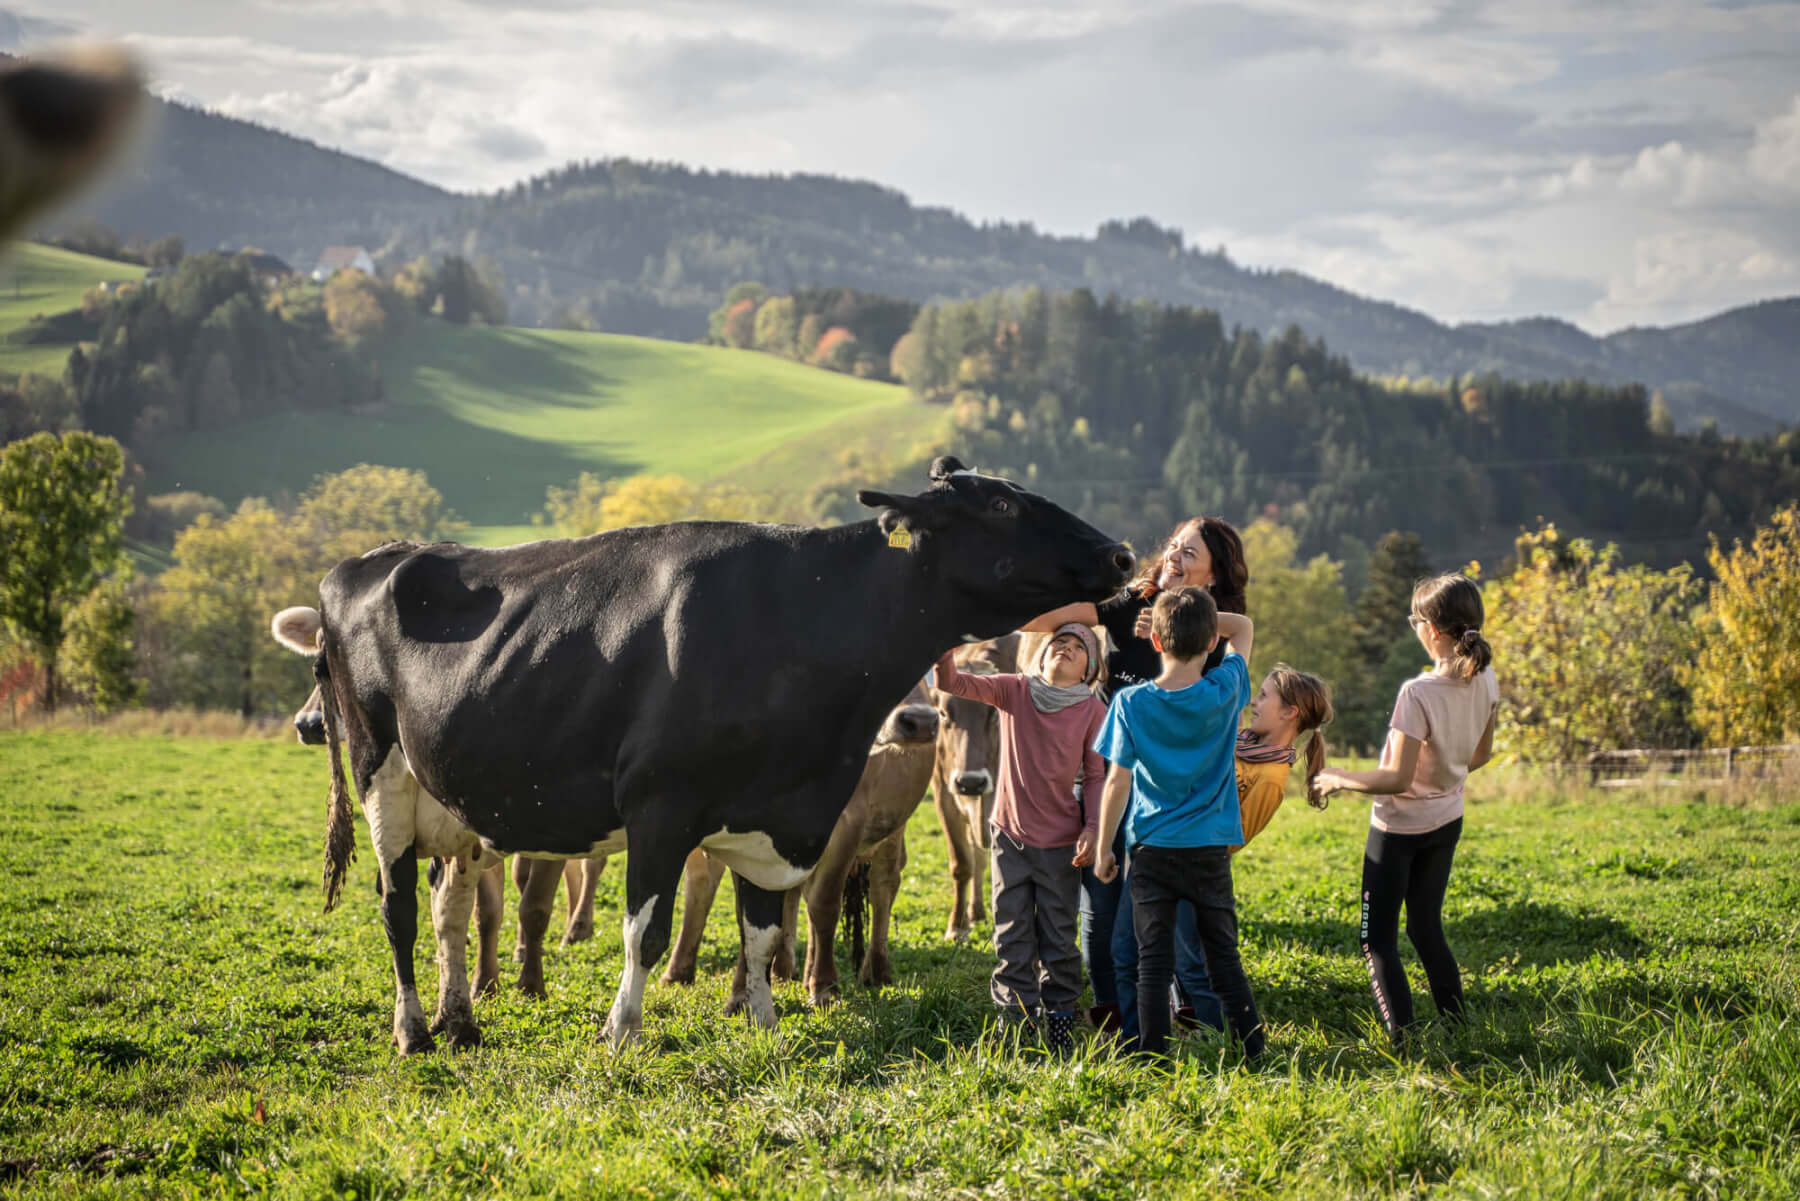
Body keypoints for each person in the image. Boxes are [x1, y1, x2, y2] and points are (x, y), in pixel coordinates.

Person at [1025, 516, 1248, 1032]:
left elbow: (1229, 664)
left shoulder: (1211, 636)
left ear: (1214, 577)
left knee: (1184, 928)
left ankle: (1198, 1020)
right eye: (1173, 546)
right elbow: (1041, 620)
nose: (1173, 557)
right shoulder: (1129, 604)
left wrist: (1182, 621)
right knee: (1104, 914)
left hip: (1174, 803)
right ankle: (1116, 1017)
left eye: (1189, 554)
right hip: (1110, 785)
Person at [1310, 573, 1497, 1043]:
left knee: (1377, 941)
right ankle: (1456, 1026)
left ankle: (1404, 1039)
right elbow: (1481, 755)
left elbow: (1395, 778)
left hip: (1398, 831)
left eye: (1416, 618)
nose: (1414, 626)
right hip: (1447, 821)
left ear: (1432, 630)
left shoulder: (1418, 693)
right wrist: (1445, 774)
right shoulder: (1486, 675)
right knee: (1425, 927)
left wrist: (1338, 778)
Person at [1112, 662, 1336, 1033]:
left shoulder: (1270, 779)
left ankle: (1214, 1039)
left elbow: (1237, 837)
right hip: (1160, 849)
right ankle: (1155, 1034)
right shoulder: (1236, 741)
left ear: (1289, 713)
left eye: (1264, 696)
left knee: (1192, 963)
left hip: (1196, 865)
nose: (1254, 701)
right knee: (1146, 953)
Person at [1093, 587, 1265, 1059]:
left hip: (1151, 849)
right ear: (1212, 643)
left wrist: (1105, 848)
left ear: (1154, 642)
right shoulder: (1225, 687)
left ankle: (1151, 1057)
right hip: (1209, 848)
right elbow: (1244, 628)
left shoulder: (1129, 703)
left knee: (1152, 962)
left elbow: (1115, 784)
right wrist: (1202, 615)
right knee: (1223, 958)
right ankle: (1252, 1050)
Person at [933, 623, 1107, 1055]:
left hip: (1061, 844)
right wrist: (944, 651)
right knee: (1011, 938)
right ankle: (1018, 1031)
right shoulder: (1014, 690)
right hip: (1009, 837)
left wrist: (1092, 829)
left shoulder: (1092, 712)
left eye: (1078, 647)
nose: (1065, 649)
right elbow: (952, 683)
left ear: (1090, 669)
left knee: (1058, 941)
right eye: (1058, 643)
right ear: (1041, 656)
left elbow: (1097, 776)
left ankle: (1060, 1030)